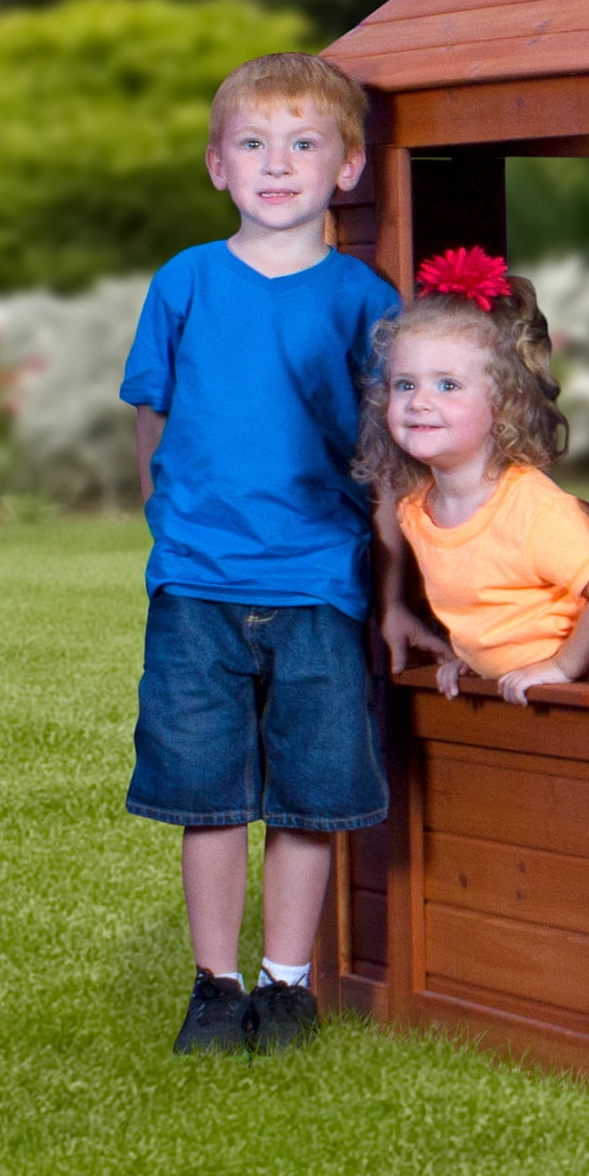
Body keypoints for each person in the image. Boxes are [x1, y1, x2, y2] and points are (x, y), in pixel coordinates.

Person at [120, 53, 397, 1057]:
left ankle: (287, 985)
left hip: (320, 577)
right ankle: (214, 982)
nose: (276, 163)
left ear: (348, 167)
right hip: (196, 581)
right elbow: (152, 414)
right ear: (216, 165)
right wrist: (168, 520)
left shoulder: (363, 298)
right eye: (252, 143)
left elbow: (387, 438)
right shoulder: (184, 281)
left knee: (308, 791)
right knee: (208, 793)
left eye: (303, 143)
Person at [358, 251, 589, 706]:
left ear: (504, 401)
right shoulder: (416, 507)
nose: (419, 401)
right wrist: (477, 660)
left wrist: (561, 668)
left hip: (571, 699)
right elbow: (493, 608)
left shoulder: (534, 510)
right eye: (405, 385)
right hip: (505, 700)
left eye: (447, 385)